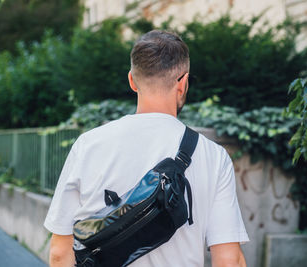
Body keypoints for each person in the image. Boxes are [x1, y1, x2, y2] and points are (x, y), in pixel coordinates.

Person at [44, 30, 249, 267]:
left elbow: (60, 252)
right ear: (183, 83)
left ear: (132, 80)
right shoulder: (214, 157)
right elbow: (228, 261)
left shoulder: (88, 145)